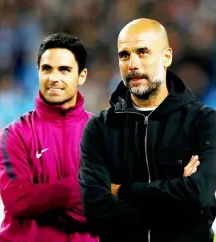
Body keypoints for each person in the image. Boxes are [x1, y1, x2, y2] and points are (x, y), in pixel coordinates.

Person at [78, 18, 216, 242]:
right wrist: (179, 192)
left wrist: (122, 191)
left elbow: (199, 195)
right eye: (124, 55)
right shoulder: (99, 129)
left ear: (167, 57)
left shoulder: (203, 122)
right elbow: (96, 213)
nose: (132, 64)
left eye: (143, 52)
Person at [0, 33, 99, 242]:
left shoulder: (103, 133)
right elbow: (18, 200)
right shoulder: (15, 135)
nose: (54, 78)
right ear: (38, 72)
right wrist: (87, 186)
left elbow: (114, 204)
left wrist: (42, 199)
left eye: (64, 69)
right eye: (47, 69)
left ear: (82, 75)